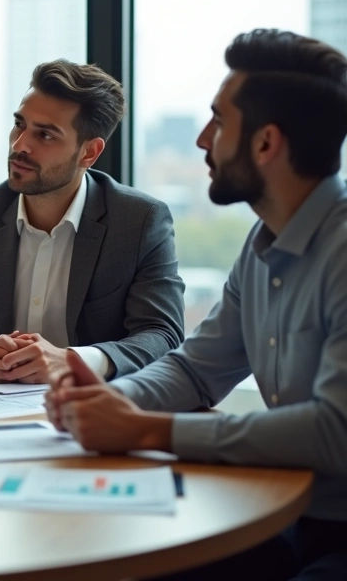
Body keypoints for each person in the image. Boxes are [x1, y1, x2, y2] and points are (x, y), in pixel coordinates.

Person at [47, 29, 347, 580]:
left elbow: (336, 431)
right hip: (288, 512)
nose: (202, 140)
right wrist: (109, 400)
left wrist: (146, 431)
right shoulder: (262, 246)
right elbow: (195, 370)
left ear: (265, 143)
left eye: (219, 122)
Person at [0, 60, 185, 384]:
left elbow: (162, 336)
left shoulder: (139, 222)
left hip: (93, 413)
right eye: (19, 124)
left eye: (45, 134)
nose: (19, 145)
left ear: (89, 153)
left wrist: (70, 361)